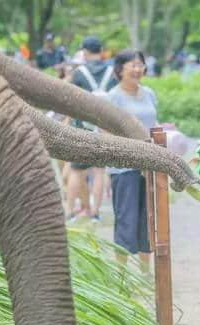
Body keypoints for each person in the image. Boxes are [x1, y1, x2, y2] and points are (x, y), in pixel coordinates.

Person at [105, 49, 156, 272]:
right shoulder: (112, 98)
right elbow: (104, 132)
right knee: (126, 220)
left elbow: (154, 124)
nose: (137, 69)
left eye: (140, 64)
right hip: (123, 169)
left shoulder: (149, 93)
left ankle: (145, 274)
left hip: (150, 166)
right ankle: (122, 275)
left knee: (148, 219)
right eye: (132, 65)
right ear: (120, 69)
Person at [65, 36, 117, 222]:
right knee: (99, 170)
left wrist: (66, 122)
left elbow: (70, 101)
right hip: (103, 126)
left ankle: (70, 211)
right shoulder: (112, 72)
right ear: (101, 50)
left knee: (76, 170)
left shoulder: (79, 73)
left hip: (81, 126)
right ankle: (95, 212)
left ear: (85, 52)